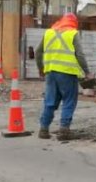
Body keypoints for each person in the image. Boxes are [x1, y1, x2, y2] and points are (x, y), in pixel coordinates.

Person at [35, 13, 90, 141]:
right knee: (69, 101)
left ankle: (43, 129)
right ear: (74, 23)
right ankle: (64, 130)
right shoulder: (73, 33)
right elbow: (80, 55)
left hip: (50, 73)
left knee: (49, 101)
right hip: (67, 73)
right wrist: (87, 72)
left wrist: (41, 69)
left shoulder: (49, 32)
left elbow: (38, 51)